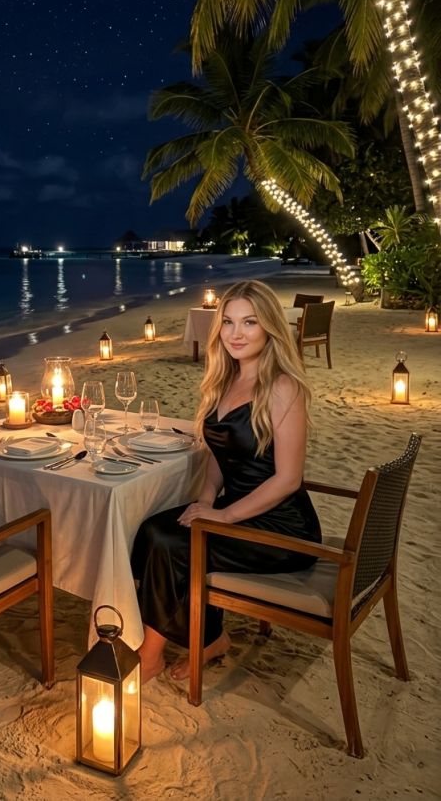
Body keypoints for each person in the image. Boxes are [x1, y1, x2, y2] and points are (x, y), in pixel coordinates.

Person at [131, 279, 322, 682]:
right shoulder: (224, 380)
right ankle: (211, 637)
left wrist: (226, 516)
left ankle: (151, 654)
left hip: (282, 527)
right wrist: (205, 500)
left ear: (269, 326)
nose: (236, 334)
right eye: (229, 323)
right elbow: (220, 457)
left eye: (249, 323)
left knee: (172, 544)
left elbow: (288, 479)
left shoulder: (283, 387)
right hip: (236, 511)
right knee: (151, 531)